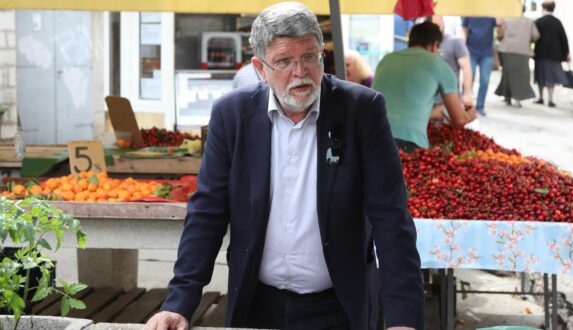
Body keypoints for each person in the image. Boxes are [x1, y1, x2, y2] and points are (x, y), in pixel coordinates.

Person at [144, 2, 424, 330]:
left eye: (310, 57)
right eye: (284, 61)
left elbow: (391, 218)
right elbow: (207, 213)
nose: (301, 72)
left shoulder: (362, 111)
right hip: (256, 303)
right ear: (260, 68)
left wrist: (403, 319)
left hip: (339, 306)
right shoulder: (232, 116)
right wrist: (179, 302)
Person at [372, 21, 477, 153]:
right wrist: (470, 115)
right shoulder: (440, 66)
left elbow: (398, 104)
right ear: (434, 45)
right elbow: (458, 120)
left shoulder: (386, 60)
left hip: (369, 135)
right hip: (408, 142)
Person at [431, 16, 474, 109]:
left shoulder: (455, 42)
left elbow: (466, 67)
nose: (439, 23)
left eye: (441, 20)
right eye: (436, 21)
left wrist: (467, 93)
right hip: (428, 101)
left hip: (448, 101)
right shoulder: (425, 45)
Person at [462, 16, 502, 116]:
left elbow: (500, 35)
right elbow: (464, 31)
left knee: (485, 80)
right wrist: (463, 49)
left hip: (487, 53)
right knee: (469, 79)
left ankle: (480, 106)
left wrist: (500, 24)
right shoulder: (469, 15)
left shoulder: (491, 15)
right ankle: (466, 105)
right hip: (471, 52)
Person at [533, 0, 570, 108]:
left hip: (540, 53)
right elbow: (564, 39)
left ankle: (540, 97)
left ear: (543, 9)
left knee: (540, 76)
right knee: (551, 78)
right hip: (554, 54)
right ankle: (550, 99)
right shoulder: (557, 22)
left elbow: (532, 37)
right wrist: (566, 53)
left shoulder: (538, 21)